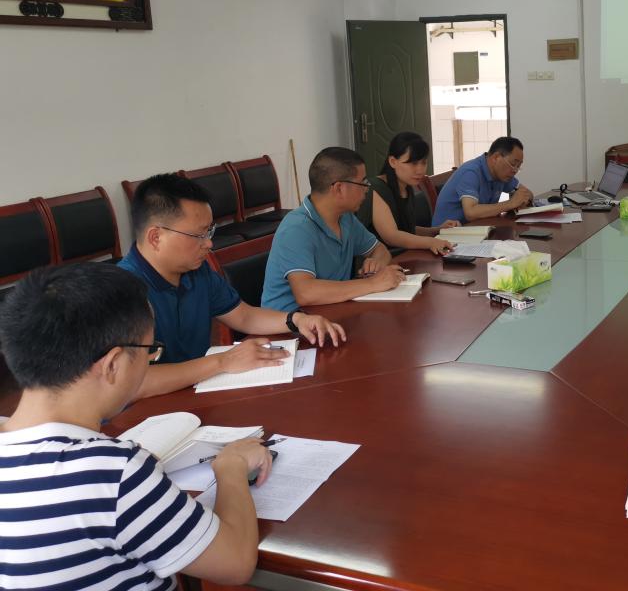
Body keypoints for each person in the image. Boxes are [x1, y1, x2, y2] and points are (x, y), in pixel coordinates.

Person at [0, 263, 273, 589]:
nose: (148, 363)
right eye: (149, 351)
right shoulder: (112, 473)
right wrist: (231, 466)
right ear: (113, 364)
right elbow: (236, 563)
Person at [119, 174, 344, 398]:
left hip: (197, 392)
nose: (209, 243)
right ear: (156, 237)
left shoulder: (196, 271)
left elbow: (244, 316)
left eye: (209, 231)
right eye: (198, 235)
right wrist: (223, 361)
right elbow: (135, 383)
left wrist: (296, 319)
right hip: (150, 411)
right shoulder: (121, 291)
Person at [262, 147, 406, 311]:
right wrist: (372, 283)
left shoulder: (345, 218)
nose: (367, 189)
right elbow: (306, 293)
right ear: (339, 188)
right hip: (290, 322)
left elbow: (380, 250)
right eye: (363, 183)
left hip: (330, 312)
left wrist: (376, 263)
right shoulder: (297, 228)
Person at [356, 132, 459, 254]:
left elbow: (406, 230)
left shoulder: (406, 186)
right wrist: (430, 242)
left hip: (401, 255)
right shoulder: (375, 188)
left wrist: (437, 230)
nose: (420, 170)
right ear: (393, 162)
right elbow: (391, 236)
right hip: (376, 260)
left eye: (423, 162)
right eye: (413, 163)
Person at [432, 136, 534, 225]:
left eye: (518, 166)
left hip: (477, 228)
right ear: (496, 157)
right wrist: (510, 203)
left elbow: (527, 194)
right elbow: (470, 213)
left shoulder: (502, 175)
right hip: (447, 233)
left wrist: (522, 201)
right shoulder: (471, 172)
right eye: (513, 164)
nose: (515, 170)